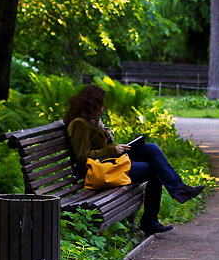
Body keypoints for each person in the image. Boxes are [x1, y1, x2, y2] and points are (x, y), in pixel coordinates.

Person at [63, 84, 204, 235]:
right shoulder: (79, 124)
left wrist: (117, 148)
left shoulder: (93, 121)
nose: (103, 107)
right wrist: (113, 149)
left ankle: (178, 189)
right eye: (101, 103)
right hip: (98, 171)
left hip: (109, 163)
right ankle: (151, 220)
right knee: (154, 170)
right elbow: (82, 156)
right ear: (92, 103)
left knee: (150, 148)